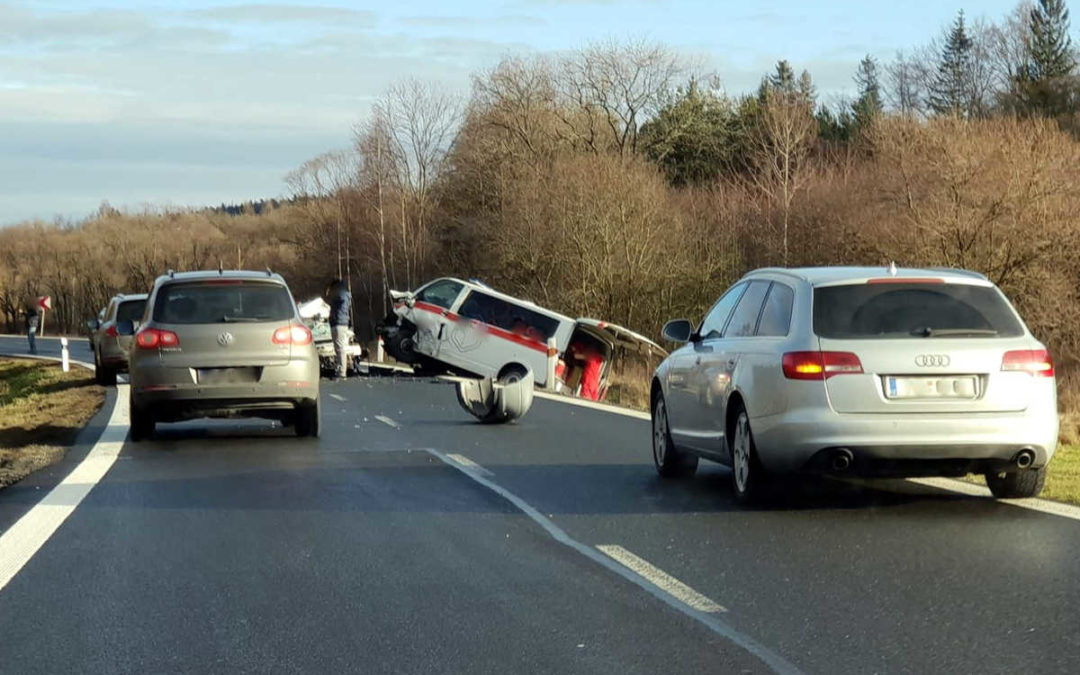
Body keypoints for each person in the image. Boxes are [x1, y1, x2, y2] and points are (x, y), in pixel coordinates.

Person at [326, 279, 352, 380]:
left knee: (340, 347)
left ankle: (342, 372)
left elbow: (338, 305)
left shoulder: (341, 295)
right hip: (340, 322)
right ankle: (340, 369)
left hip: (339, 322)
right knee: (339, 347)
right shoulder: (343, 294)